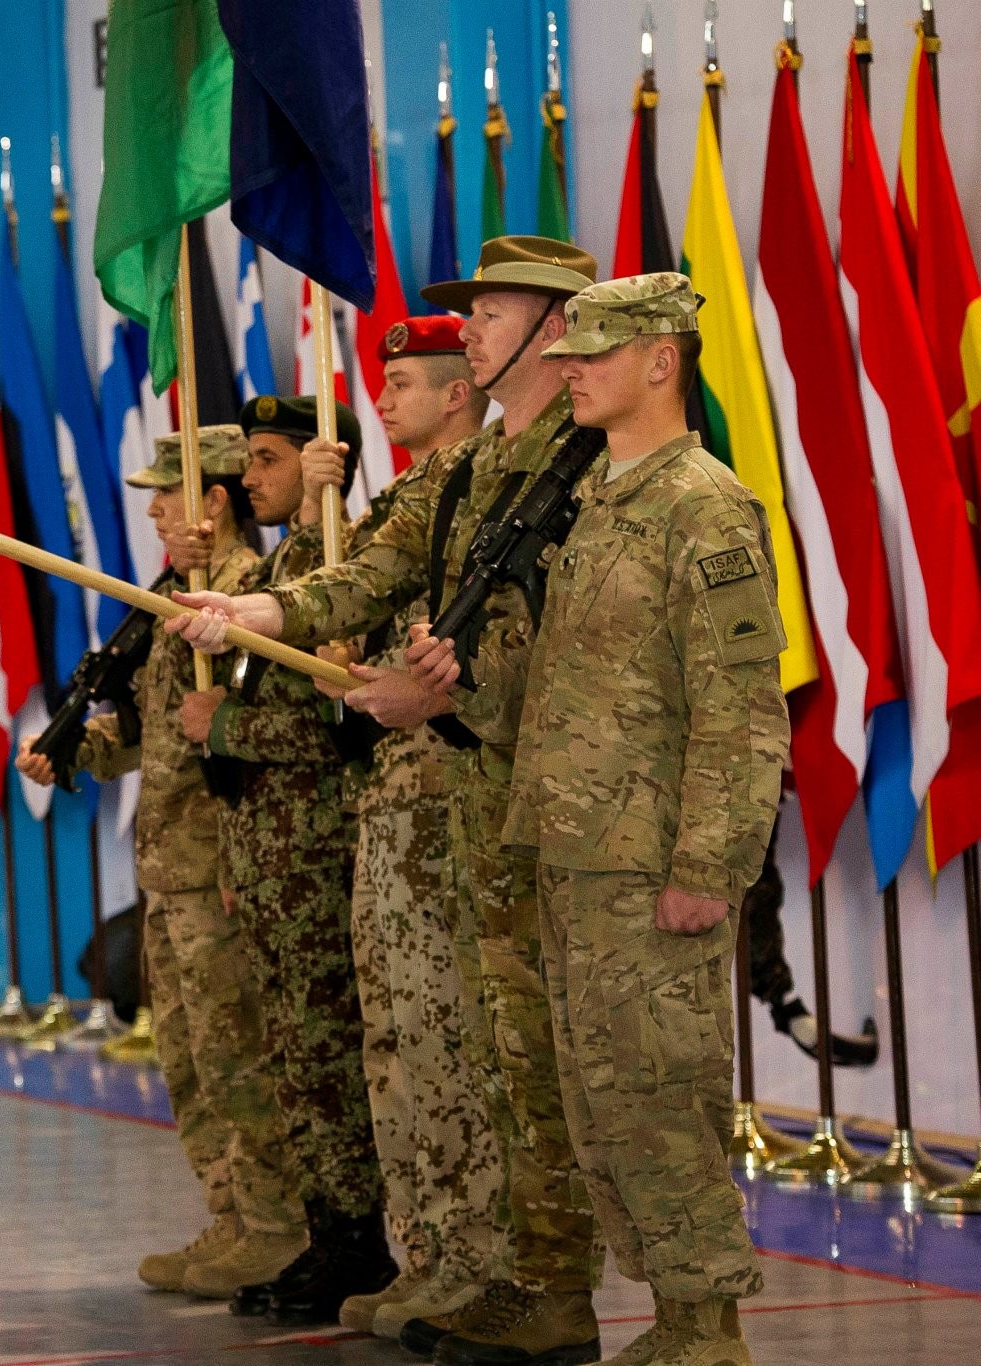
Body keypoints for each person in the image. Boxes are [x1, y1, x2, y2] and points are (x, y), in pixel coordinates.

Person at [167, 237, 606, 1366]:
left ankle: (564, 1284)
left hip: (543, 808)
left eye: (489, 311)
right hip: (464, 800)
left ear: (554, 327)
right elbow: (371, 572)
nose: (466, 327)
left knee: (531, 1067)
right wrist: (256, 614)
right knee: (459, 1055)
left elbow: (576, 648)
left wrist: (437, 693)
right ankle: (479, 1266)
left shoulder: (594, 467)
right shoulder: (471, 472)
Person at [414, 274, 785, 1366]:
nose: (567, 369)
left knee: (660, 1097)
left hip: (648, 867)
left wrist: (707, 867)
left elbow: (739, 711)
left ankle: (703, 1326)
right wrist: (447, 688)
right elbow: (567, 694)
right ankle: (672, 1318)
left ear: (661, 362)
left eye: (592, 354)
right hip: (572, 855)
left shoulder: (700, 506)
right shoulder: (601, 505)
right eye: (564, 352)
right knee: (597, 1104)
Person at [15, 428, 304, 1301]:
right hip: (169, 867)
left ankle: (276, 1226)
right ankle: (231, 1217)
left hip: (225, 865)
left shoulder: (256, 600)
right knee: (188, 1056)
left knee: (238, 1055)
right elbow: (153, 733)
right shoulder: (167, 605)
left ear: (212, 504)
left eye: (167, 495)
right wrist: (79, 749)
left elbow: (269, 731)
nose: (151, 510)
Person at [296, 321, 509, 1341]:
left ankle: (476, 1259)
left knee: (450, 1034)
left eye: (400, 383)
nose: (378, 400)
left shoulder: (489, 489)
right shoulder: (404, 499)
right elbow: (347, 592)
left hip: (451, 790)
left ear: (457, 392)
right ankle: (422, 1250)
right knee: (396, 1037)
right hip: (391, 792)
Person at [170, 396, 395, 1324]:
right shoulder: (288, 565)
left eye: (267, 459)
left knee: (331, 1053)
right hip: (268, 850)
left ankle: (359, 1240)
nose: (247, 476)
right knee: (296, 1056)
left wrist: (223, 722)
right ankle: (327, 1232)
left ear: (318, 462)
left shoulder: (346, 559)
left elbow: (335, 723)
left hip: (319, 846)